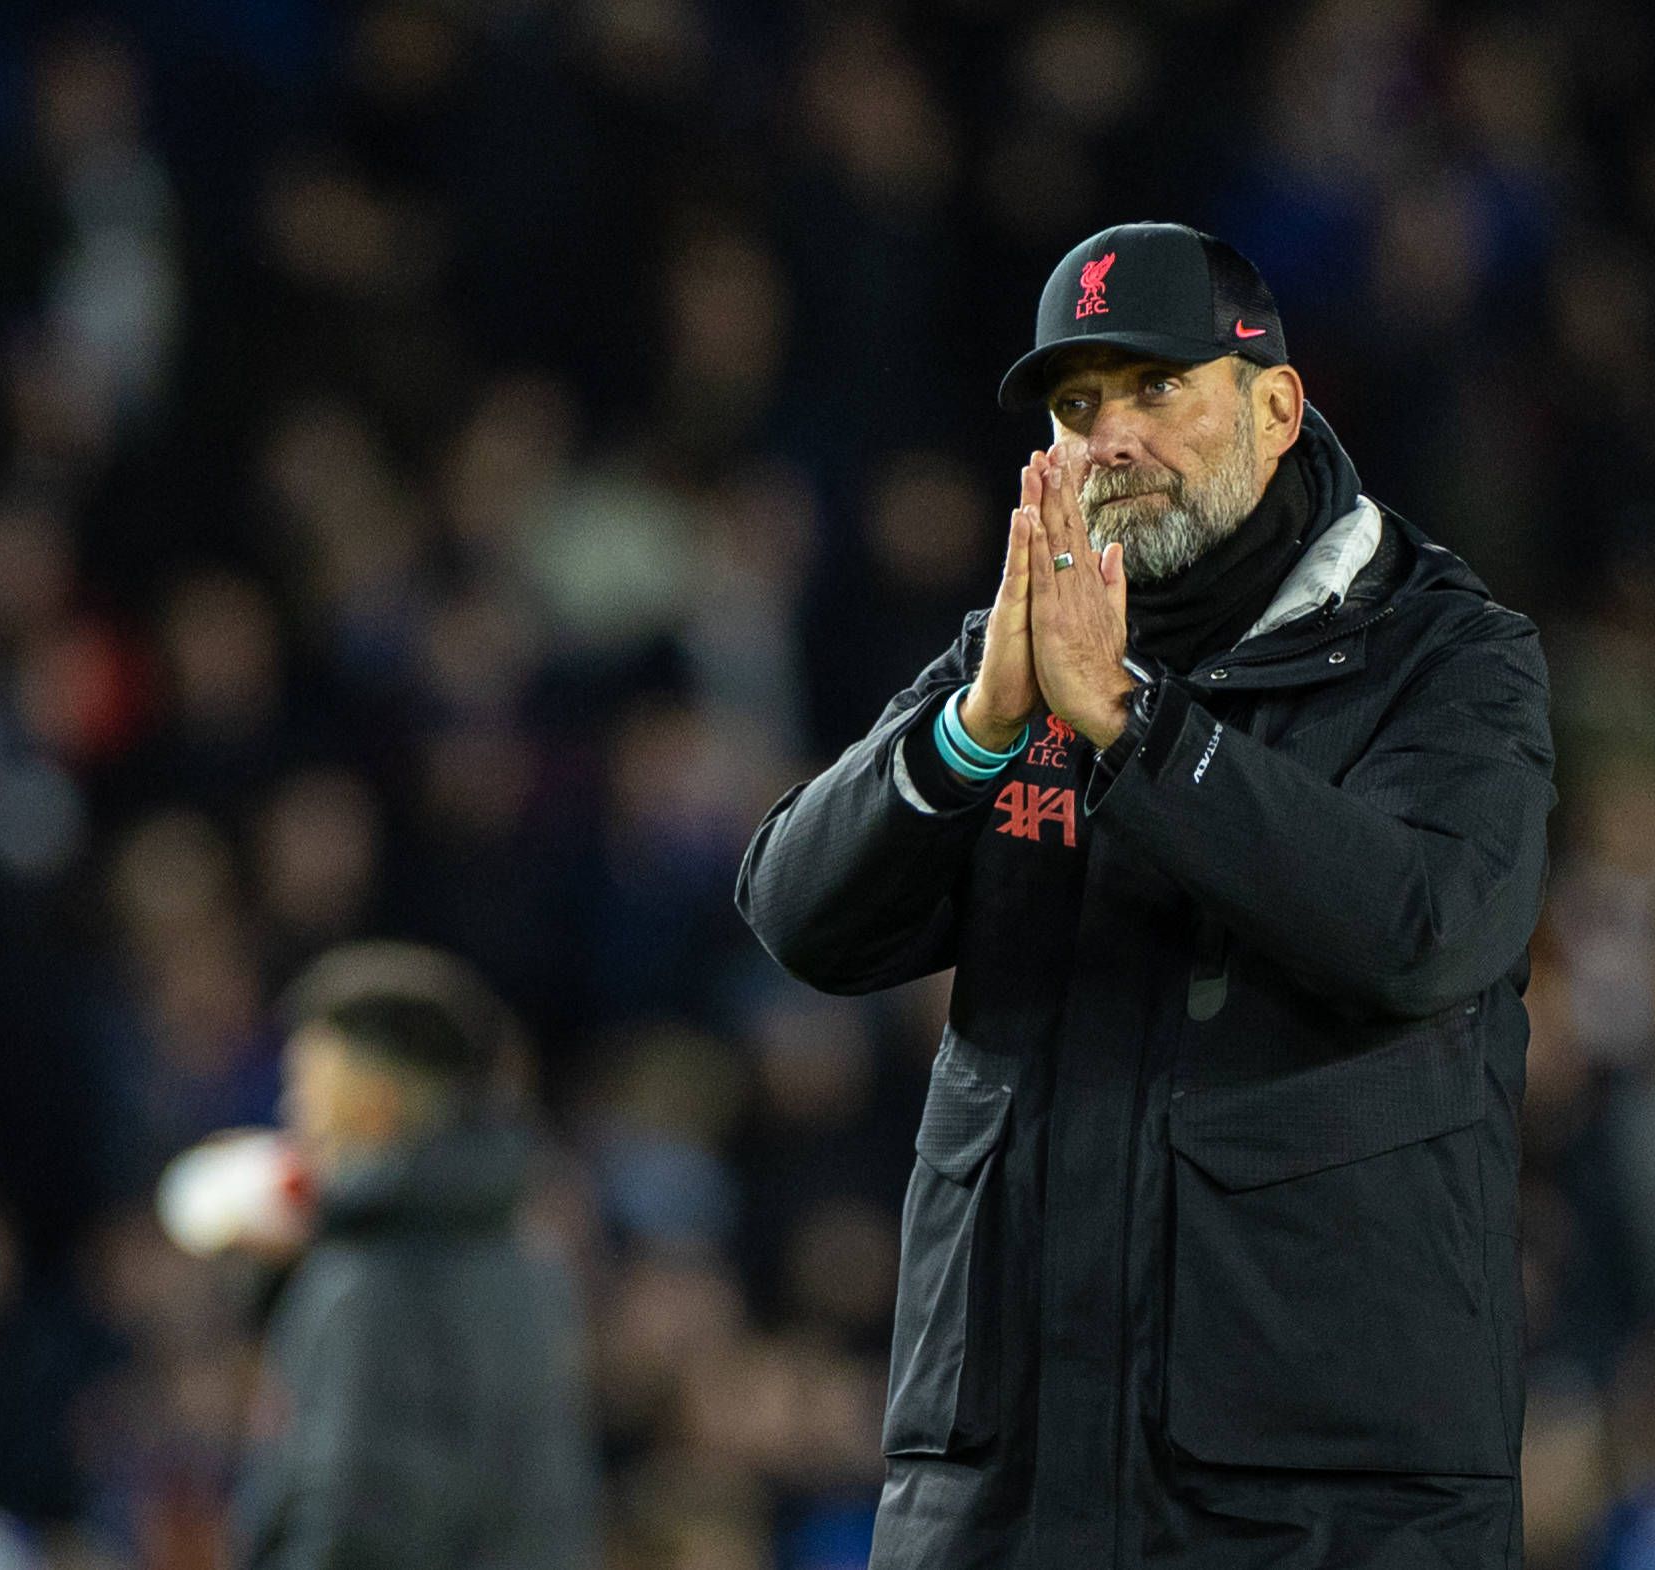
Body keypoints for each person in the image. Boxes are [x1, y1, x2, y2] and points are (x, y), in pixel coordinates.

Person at [737, 223, 1558, 1569]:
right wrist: (973, 723)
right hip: (1006, 1483)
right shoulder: (1021, 653)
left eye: (1153, 387)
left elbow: (1419, 927)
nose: (1108, 434)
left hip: (1321, 1510)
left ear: (1276, 405)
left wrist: (1134, 726)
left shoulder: (1445, 658)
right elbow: (796, 912)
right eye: (1075, 406)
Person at [230, 942, 598, 1570]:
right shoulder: (532, 1267)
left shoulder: (368, 1281)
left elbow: (354, 1518)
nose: (292, 1114)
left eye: (308, 1085)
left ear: (375, 1100)